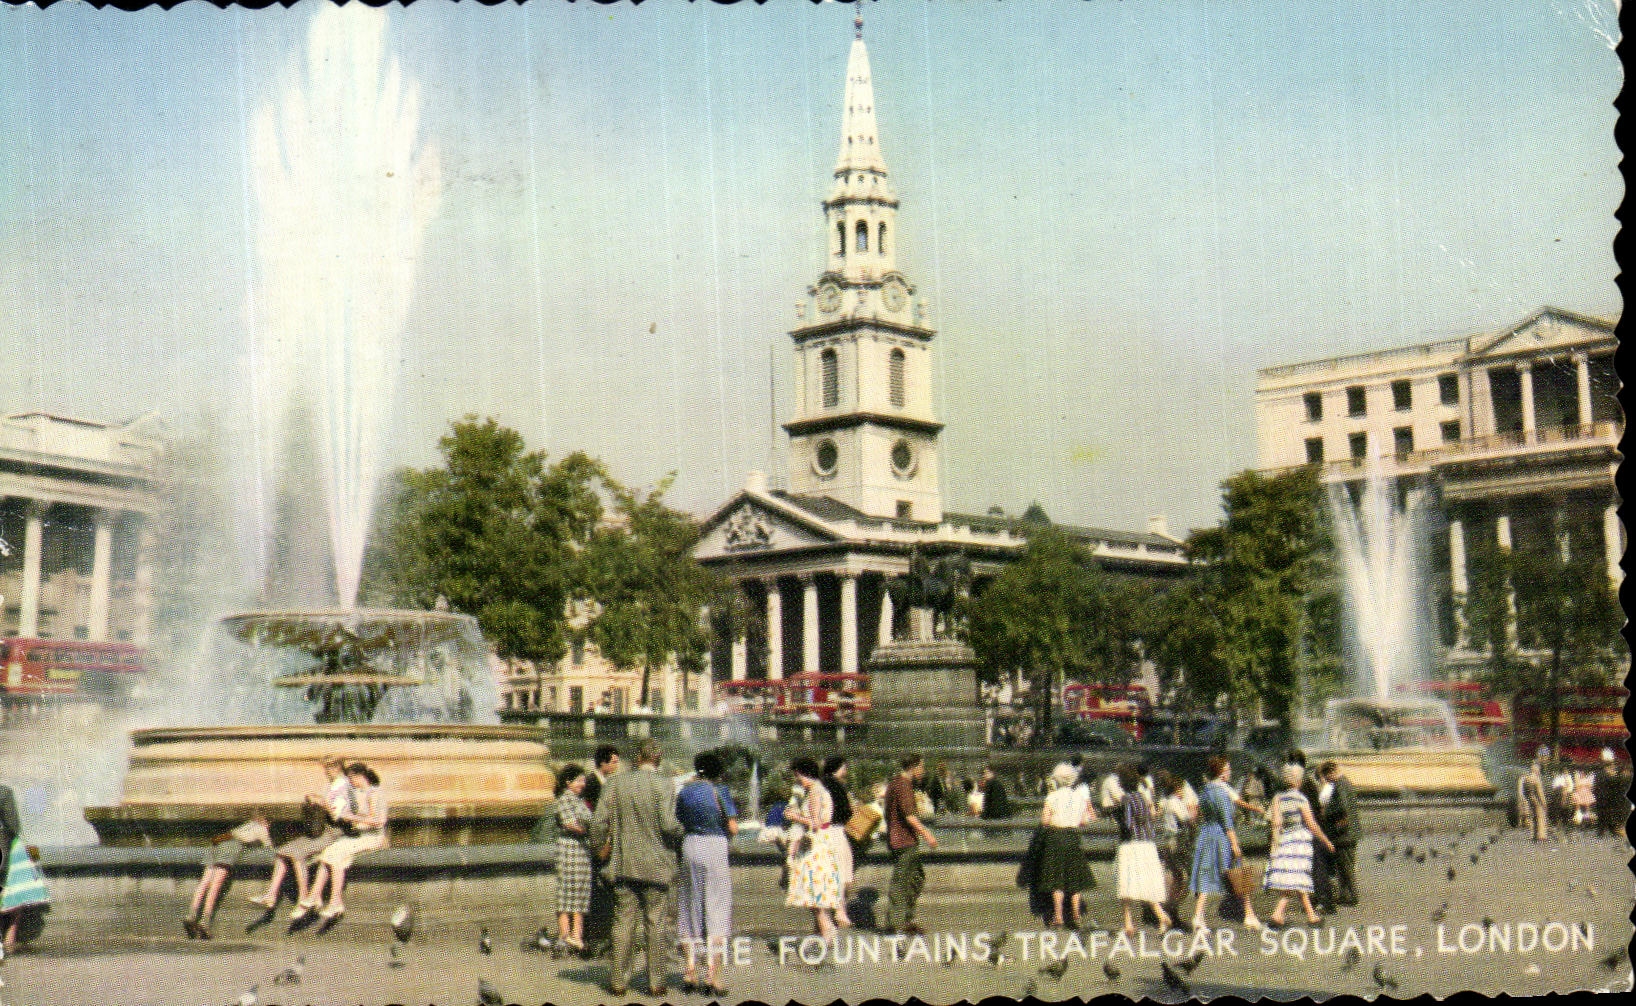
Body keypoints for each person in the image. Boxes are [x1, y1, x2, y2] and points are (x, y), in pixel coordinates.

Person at [589, 739, 683, 998]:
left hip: (622, 864)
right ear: (658, 758)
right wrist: (683, 831)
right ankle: (656, 983)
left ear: (636, 757)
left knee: (622, 923)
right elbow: (667, 824)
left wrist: (599, 850)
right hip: (656, 865)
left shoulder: (615, 783)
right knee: (656, 923)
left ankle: (618, 982)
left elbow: (598, 823)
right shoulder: (664, 784)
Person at [252, 756, 353, 916]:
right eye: (325, 768)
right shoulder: (331, 784)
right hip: (321, 830)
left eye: (328, 768)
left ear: (337, 768)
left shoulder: (345, 786)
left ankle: (303, 898)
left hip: (335, 833)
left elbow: (337, 816)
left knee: (297, 853)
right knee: (283, 851)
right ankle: (270, 895)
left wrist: (321, 803)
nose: (326, 772)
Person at [674, 752, 737, 997]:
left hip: (690, 845)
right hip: (714, 845)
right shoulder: (720, 791)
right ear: (719, 770)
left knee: (689, 907)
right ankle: (713, 975)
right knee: (717, 909)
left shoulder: (685, 792)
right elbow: (732, 827)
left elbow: (678, 820)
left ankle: (689, 970)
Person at [307, 762, 387, 924]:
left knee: (337, 855)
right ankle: (316, 897)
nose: (349, 781)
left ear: (359, 776)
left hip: (372, 837)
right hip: (360, 835)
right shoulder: (358, 792)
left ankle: (334, 902)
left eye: (350, 778)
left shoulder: (375, 792)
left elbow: (379, 821)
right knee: (328, 853)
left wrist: (352, 818)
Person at [1189, 754, 1261, 932]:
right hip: (1220, 836)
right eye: (1228, 769)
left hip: (1206, 834)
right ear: (1221, 773)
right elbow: (1227, 822)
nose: (1230, 772)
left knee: (1207, 875)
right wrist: (1235, 844)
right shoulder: (1221, 793)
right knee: (1238, 872)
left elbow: (1195, 814)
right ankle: (1249, 915)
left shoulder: (1205, 790)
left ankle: (1198, 916)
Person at [1263, 763, 1334, 927]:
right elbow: (1312, 825)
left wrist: (1274, 845)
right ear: (1299, 781)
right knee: (1298, 878)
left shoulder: (1277, 798)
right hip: (1300, 842)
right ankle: (1278, 915)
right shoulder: (1301, 799)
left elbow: (1276, 823)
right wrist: (1326, 840)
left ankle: (1310, 917)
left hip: (1285, 840)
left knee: (1295, 878)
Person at [184, 814, 273, 939]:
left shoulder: (248, 823)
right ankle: (204, 922)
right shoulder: (262, 829)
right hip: (231, 845)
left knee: (204, 883)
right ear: (267, 822)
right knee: (215, 886)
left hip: (219, 840)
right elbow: (269, 849)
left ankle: (191, 916)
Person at [785, 757, 845, 940]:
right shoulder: (821, 790)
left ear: (804, 774)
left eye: (798, 776)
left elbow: (816, 823)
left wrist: (794, 816)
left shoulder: (814, 792)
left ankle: (827, 932)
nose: (797, 780)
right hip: (823, 843)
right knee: (817, 894)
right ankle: (824, 932)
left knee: (814, 893)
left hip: (815, 846)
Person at [883, 754, 937, 934]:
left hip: (898, 839)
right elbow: (909, 816)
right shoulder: (904, 785)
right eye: (921, 766)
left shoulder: (894, 783)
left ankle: (904, 919)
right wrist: (927, 834)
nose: (923, 770)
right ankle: (897, 924)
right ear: (913, 767)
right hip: (904, 840)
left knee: (915, 878)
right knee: (903, 882)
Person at [1037, 762, 1096, 928]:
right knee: (1074, 877)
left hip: (1056, 837)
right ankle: (1076, 913)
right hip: (1073, 837)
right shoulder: (1079, 797)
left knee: (1057, 879)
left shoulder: (1052, 797)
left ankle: (1058, 915)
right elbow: (1085, 821)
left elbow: (1045, 821)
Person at [1115, 763, 1171, 934]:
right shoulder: (1142, 797)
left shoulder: (1126, 799)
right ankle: (1160, 914)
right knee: (1147, 882)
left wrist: (1116, 815)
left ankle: (1128, 922)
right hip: (1148, 844)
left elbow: (1128, 824)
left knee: (1127, 882)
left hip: (1132, 844)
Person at [1, 782, 47, 957]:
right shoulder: (4, 792)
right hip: (3, 848)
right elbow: (13, 825)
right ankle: (10, 937)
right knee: (21, 882)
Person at [553, 765, 595, 953]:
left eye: (583, 780)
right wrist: (589, 830)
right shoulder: (563, 800)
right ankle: (564, 934)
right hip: (569, 850)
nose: (582, 784)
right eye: (579, 780)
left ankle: (577, 935)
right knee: (566, 893)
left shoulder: (579, 801)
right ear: (567, 782)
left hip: (582, 851)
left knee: (580, 893)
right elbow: (570, 824)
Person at [820, 755, 857, 927]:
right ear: (838, 768)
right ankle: (840, 911)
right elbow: (844, 812)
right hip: (835, 831)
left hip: (822, 832)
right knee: (842, 872)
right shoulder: (836, 786)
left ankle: (828, 912)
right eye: (844, 767)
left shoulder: (820, 783)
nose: (846, 771)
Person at [1317, 761, 1359, 908]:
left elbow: (1342, 806)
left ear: (1331, 773)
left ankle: (1353, 896)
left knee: (1346, 866)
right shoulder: (1344, 782)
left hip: (1344, 833)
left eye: (1326, 777)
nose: (1326, 781)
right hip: (1349, 832)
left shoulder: (1340, 784)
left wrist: (1326, 812)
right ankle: (1345, 895)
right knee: (1344, 865)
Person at [1154, 770, 1195, 917]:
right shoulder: (1175, 802)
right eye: (1181, 789)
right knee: (1184, 877)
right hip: (1178, 840)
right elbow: (1187, 820)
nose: (1183, 791)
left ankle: (1171, 907)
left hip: (1169, 840)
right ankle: (1172, 906)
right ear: (1177, 789)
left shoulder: (1166, 802)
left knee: (1175, 876)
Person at [1593, 748, 1626, 838]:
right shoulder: (1601, 773)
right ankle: (1602, 831)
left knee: (1609, 813)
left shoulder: (1613, 772)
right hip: (1602, 796)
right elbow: (1596, 785)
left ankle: (1609, 830)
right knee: (1602, 813)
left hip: (1609, 796)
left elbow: (1616, 785)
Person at [1521, 747, 1550, 842]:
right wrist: (1544, 803)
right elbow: (1540, 792)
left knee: (1532, 818)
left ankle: (1532, 835)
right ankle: (1541, 835)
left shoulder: (1527, 778)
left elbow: (1523, 790)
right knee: (1540, 817)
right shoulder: (1537, 779)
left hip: (1529, 798)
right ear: (1537, 770)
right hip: (1537, 800)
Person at [583, 744, 621, 811]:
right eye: (614, 762)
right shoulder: (591, 782)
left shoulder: (604, 781)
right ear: (602, 762)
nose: (616, 766)